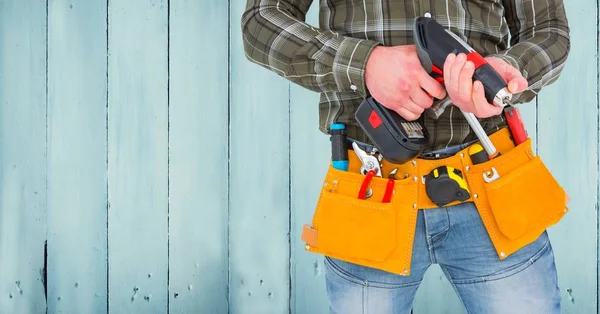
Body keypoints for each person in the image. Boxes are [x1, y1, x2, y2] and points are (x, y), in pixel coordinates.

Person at [241, 1, 571, 313]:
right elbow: (261, 21)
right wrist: (364, 64)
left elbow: (549, 30)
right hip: (370, 190)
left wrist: (503, 73)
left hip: (491, 180)